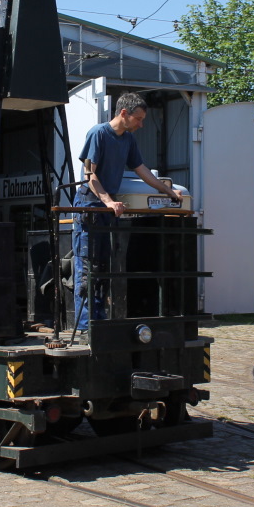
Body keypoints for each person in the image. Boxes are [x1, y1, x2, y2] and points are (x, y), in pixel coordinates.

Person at [73, 92, 183, 335]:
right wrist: (109, 201)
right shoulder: (98, 133)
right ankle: (84, 329)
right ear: (124, 113)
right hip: (89, 205)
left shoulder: (128, 140)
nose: (141, 124)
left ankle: (99, 322)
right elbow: (90, 175)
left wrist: (168, 190)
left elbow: (141, 169)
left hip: (106, 207)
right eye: (139, 118)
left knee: (103, 266)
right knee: (87, 266)